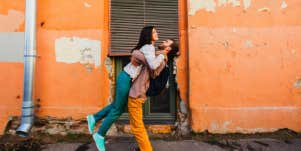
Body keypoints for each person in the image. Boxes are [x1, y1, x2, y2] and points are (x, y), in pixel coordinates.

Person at [86, 26, 167, 151]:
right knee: (118, 110)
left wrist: (159, 55)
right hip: (126, 78)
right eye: (154, 32)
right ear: (148, 35)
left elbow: (143, 60)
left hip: (127, 78)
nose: (157, 33)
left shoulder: (148, 48)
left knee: (117, 106)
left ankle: (94, 118)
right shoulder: (148, 47)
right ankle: (100, 135)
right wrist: (162, 55)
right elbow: (152, 65)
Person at [128, 35, 179, 150]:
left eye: (166, 41)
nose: (163, 40)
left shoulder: (160, 59)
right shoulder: (159, 57)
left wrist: (137, 52)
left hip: (137, 93)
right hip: (139, 92)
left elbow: (137, 55)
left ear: (168, 49)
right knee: (138, 125)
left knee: (137, 127)